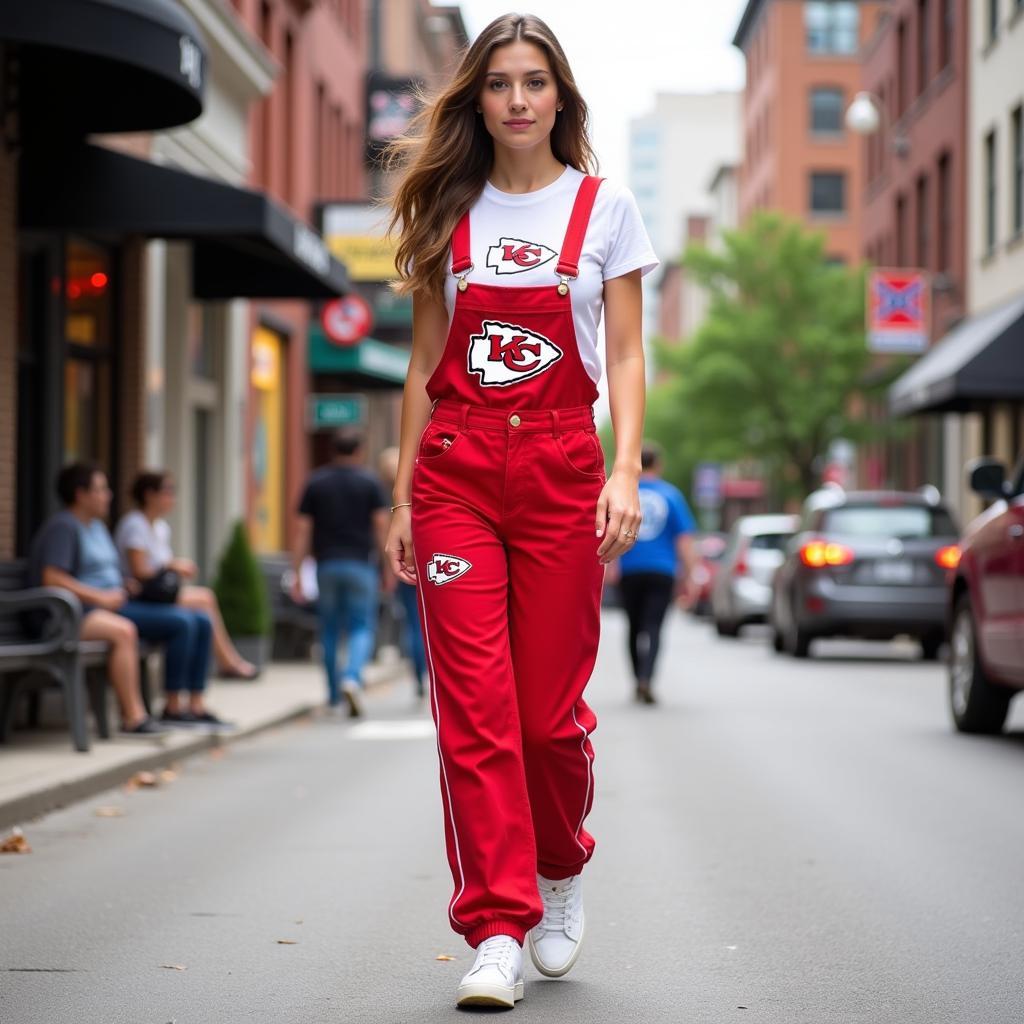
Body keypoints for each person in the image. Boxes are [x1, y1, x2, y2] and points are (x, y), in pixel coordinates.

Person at [383, 13, 655, 1009]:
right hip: (455, 477)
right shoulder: (448, 211)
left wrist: (623, 467)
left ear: (560, 96)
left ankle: (559, 864)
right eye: (498, 83)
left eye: (534, 82)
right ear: (478, 98)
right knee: (475, 714)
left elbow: (622, 353)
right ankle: (495, 926)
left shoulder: (605, 207)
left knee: (547, 721)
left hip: (559, 476)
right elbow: (422, 368)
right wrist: (405, 492)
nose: (516, 101)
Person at [27, 462, 231, 732]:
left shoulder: (96, 528)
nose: (108, 495)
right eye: (101, 489)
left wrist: (124, 585)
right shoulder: (64, 527)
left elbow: (104, 572)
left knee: (199, 620)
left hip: (110, 605)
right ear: (80, 494)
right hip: (69, 614)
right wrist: (100, 597)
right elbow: (52, 578)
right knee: (130, 630)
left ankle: (191, 705)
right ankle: (134, 717)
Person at [114, 471, 259, 680]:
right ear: (149, 494)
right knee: (199, 606)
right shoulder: (135, 524)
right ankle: (227, 662)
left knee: (201, 617)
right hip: (141, 596)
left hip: (158, 594)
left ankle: (201, 690)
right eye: (167, 491)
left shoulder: (161, 527)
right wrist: (173, 566)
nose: (172, 498)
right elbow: (139, 570)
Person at [291, 428, 392, 717]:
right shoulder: (370, 483)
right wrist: (387, 568)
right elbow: (380, 527)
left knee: (330, 628)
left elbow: (302, 531)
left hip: (327, 565)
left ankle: (334, 695)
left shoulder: (316, 482)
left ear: (333, 450)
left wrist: (297, 571)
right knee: (362, 626)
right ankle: (352, 676)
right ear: (359, 451)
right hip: (361, 564)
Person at [614, 442, 700, 705]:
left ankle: (637, 678)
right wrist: (690, 574)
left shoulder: (623, 494)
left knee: (633, 627)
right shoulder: (671, 496)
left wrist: (611, 565)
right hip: (662, 571)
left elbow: (611, 532)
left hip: (630, 569)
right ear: (658, 464)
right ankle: (646, 680)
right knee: (654, 628)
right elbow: (684, 540)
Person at [378, 447, 427, 704]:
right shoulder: (423, 489)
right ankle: (428, 674)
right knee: (426, 626)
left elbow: (388, 541)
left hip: (402, 565)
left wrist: (388, 573)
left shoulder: (390, 499)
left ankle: (419, 677)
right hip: (429, 561)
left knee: (412, 624)